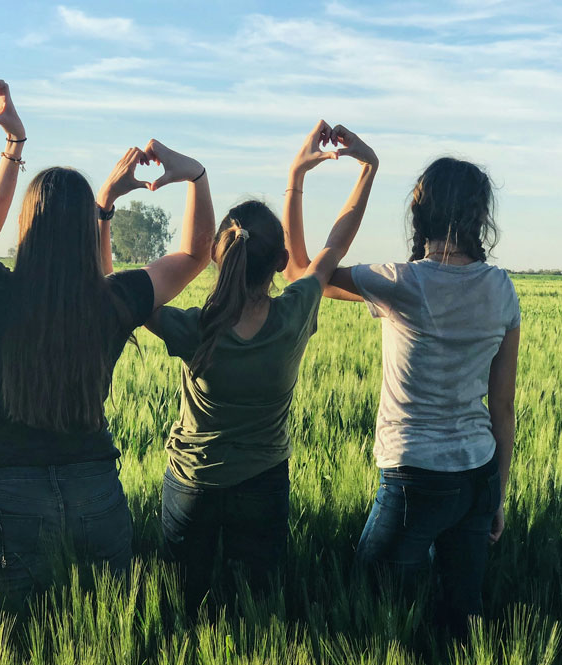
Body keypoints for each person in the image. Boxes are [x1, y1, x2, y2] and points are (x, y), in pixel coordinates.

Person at [0, 73, 216, 609]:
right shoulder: (114, 301)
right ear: (83, 229)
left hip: (6, 500)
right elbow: (195, 253)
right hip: (97, 495)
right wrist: (195, 177)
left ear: (28, 227)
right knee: (100, 639)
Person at [283, 135, 520, 638]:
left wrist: (296, 181)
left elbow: (302, 274)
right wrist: (497, 492)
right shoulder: (501, 288)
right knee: (459, 622)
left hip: (413, 476)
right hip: (478, 474)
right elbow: (502, 405)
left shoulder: (401, 281)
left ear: (422, 213)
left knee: (366, 610)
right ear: (479, 217)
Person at [142, 120, 378, 615]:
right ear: (280, 261)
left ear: (216, 258)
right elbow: (335, 243)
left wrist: (105, 208)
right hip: (264, 483)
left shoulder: (196, 328)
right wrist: (360, 170)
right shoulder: (295, 313)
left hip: (192, 484)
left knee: (182, 608)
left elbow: (122, 297)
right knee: (259, 608)